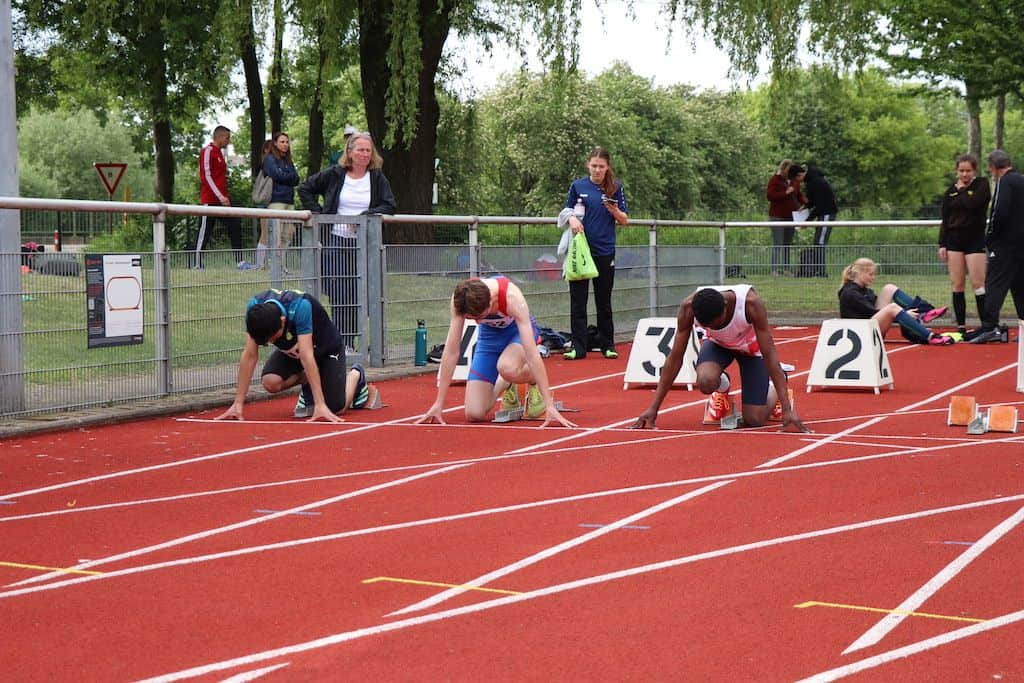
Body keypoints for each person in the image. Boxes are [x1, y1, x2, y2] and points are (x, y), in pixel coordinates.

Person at [631, 285, 807, 431]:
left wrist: (787, 409)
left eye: (718, 323)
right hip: (718, 345)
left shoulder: (751, 304)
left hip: (751, 350)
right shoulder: (688, 308)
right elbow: (675, 357)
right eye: (708, 326)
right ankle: (723, 385)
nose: (714, 327)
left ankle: (777, 386)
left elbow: (769, 353)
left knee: (754, 420)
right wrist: (653, 408)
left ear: (725, 306)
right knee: (705, 381)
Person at [416, 277, 576, 428]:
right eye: (471, 319)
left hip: (516, 332)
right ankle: (506, 382)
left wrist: (549, 405)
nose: (477, 321)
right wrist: (439, 403)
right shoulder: (460, 299)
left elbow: (532, 353)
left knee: (506, 367)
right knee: (474, 413)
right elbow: (451, 351)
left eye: (480, 317)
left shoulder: (512, 297)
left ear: (490, 302)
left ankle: (530, 378)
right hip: (489, 338)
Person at [298, 132, 396, 350]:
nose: (364, 154)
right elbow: (305, 188)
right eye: (360, 149)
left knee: (363, 293)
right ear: (350, 152)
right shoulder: (335, 174)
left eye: (368, 150)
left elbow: (390, 205)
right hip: (337, 241)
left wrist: (365, 216)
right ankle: (344, 343)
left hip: (365, 245)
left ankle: (360, 341)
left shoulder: (377, 177)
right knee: (341, 293)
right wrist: (319, 214)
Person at [214, 288, 346, 423]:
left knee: (335, 407)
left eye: (273, 338)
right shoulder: (254, 309)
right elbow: (249, 355)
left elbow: (306, 356)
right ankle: (306, 381)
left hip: (327, 350)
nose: (272, 342)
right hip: (295, 352)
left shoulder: (301, 307)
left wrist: (320, 404)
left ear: (283, 321)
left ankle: (355, 377)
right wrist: (237, 403)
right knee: (271, 382)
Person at [563, 147, 629, 360]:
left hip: (604, 250)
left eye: (601, 166)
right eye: (594, 166)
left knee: (604, 301)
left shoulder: (615, 187)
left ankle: (607, 345)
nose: (597, 170)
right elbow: (566, 210)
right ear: (588, 165)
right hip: (581, 251)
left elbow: (624, 220)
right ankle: (578, 347)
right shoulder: (578, 186)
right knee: (578, 301)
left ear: (607, 167)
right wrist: (571, 219)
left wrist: (613, 210)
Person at [969, 149, 1024, 343]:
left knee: (994, 284)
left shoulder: (1004, 182)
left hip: (1005, 245)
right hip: (1021, 246)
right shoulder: (1022, 180)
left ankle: (990, 326)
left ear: (993, 167)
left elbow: (999, 212)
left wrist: (990, 237)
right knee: (1020, 286)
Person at [839, 258, 953, 345]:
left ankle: (923, 312)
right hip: (862, 335)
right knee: (892, 308)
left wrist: (904, 313)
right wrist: (904, 314)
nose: (873, 277)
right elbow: (872, 312)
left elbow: (876, 310)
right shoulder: (850, 293)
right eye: (871, 274)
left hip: (870, 325)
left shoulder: (865, 290)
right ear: (859, 273)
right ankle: (930, 337)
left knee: (889, 288)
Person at [939, 153, 991, 335]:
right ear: (957, 171)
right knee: (957, 283)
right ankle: (961, 326)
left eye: (968, 170)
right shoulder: (950, 191)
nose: (964, 174)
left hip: (974, 239)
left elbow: (972, 204)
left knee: (978, 283)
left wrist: (961, 191)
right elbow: (945, 219)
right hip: (954, 240)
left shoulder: (982, 185)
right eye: (961, 171)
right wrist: (942, 244)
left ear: (974, 170)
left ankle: (987, 325)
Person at [196, 125, 253, 270]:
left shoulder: (220, 154)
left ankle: (240, 262)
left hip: (222, 201)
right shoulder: (208, 151)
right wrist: (220, 196)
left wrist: (224, 198)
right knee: (205, 232)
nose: (229, 141)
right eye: (227, 138)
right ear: (220, 137)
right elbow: (207, 176)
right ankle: (196, 263)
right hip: (210, 201)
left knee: (235, 225)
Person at [255, 132, 300, 270]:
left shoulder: (288, 160)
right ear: (275, 143)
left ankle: (281, 265)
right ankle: (270, 264)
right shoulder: (269, 159)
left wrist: (285, 176)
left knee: (287, 235)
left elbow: (296, 178)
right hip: (276, 200)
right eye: (282, 142)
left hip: (289, 201)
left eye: (287, 142)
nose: (285, 144)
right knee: (276, 234)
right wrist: (288, 177)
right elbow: (276, 174)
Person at [766, 160, 807, 277]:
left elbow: (798, 195)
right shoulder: (775, 180)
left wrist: (805, 204)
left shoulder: (794, 181)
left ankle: (786, 269)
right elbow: (770, 196)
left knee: (787, 244)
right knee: (777, 243)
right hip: (777, 217)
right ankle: (774, 269)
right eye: (788, 170)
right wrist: (785, 192)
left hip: (791, 217)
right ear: (783, 169)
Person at [803, 164, 838, 278]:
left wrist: (807, 221)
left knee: (820, 242)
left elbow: (819, 205)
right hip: (824, 214)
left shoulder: (815, 183)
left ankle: (821, 270)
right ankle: (818, 268)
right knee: (818, 241)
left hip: (826, 214)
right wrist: (806, 206)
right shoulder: (819, 182)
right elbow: (815, 201)